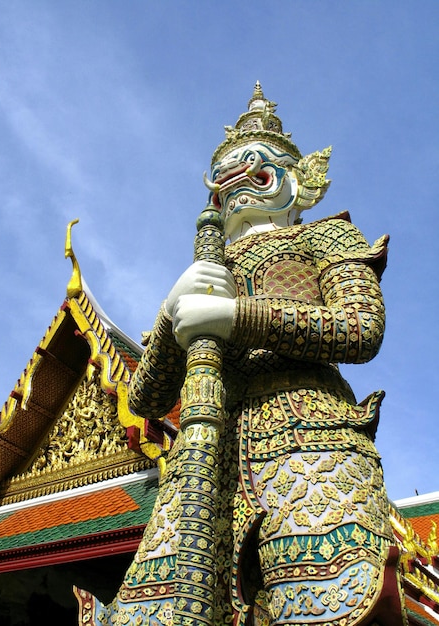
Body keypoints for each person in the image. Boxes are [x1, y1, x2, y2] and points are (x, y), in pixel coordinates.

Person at [76, 83, 406, 626]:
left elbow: (360, 328)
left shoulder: (327, 239)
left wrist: (237, 317)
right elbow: (146, 396)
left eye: (256, 171)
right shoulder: (204, 275)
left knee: (317, 603)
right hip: (205, 456)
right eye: (224, 179)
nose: (238, 186)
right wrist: (171, 313)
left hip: (307, 444)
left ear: (297, 182)